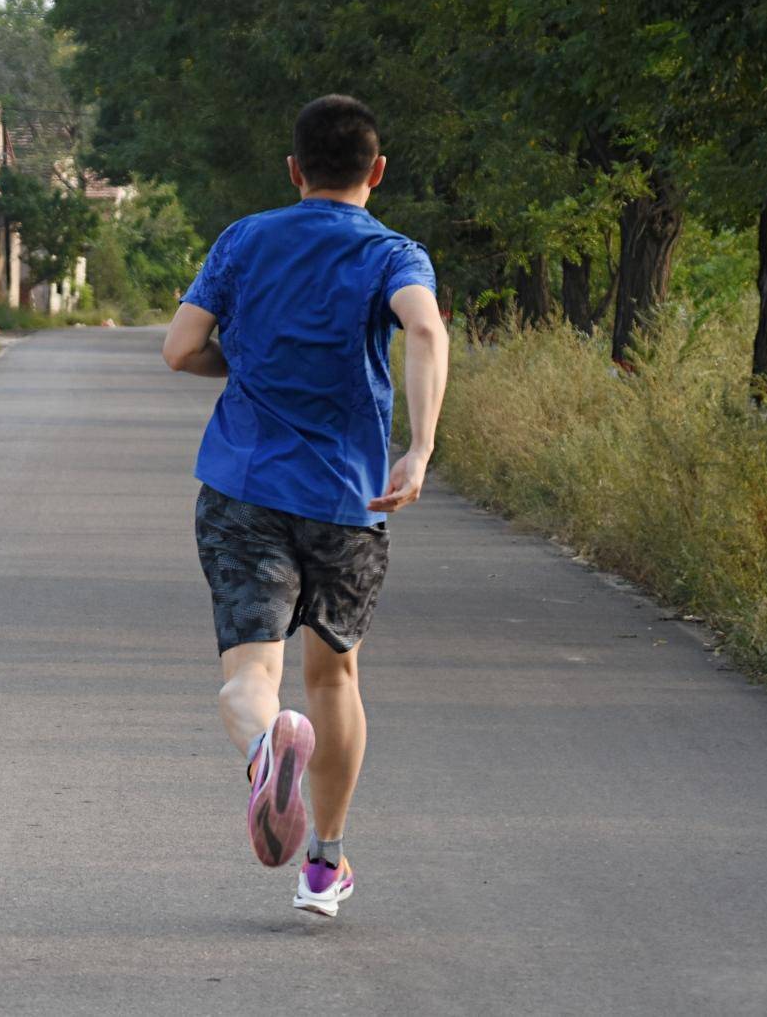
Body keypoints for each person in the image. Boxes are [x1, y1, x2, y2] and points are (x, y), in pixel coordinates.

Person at [162, 94, 449, 917]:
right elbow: (425, 332)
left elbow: (180, 348)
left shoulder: (246, 239)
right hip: (348, 497)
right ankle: (324, 864)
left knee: (252, 676)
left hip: (244, 487)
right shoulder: (395, 253)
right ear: (378, 171)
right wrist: (420, 446)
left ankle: (263, 747)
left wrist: (244, 365)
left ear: (294, 171)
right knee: (335, 674)